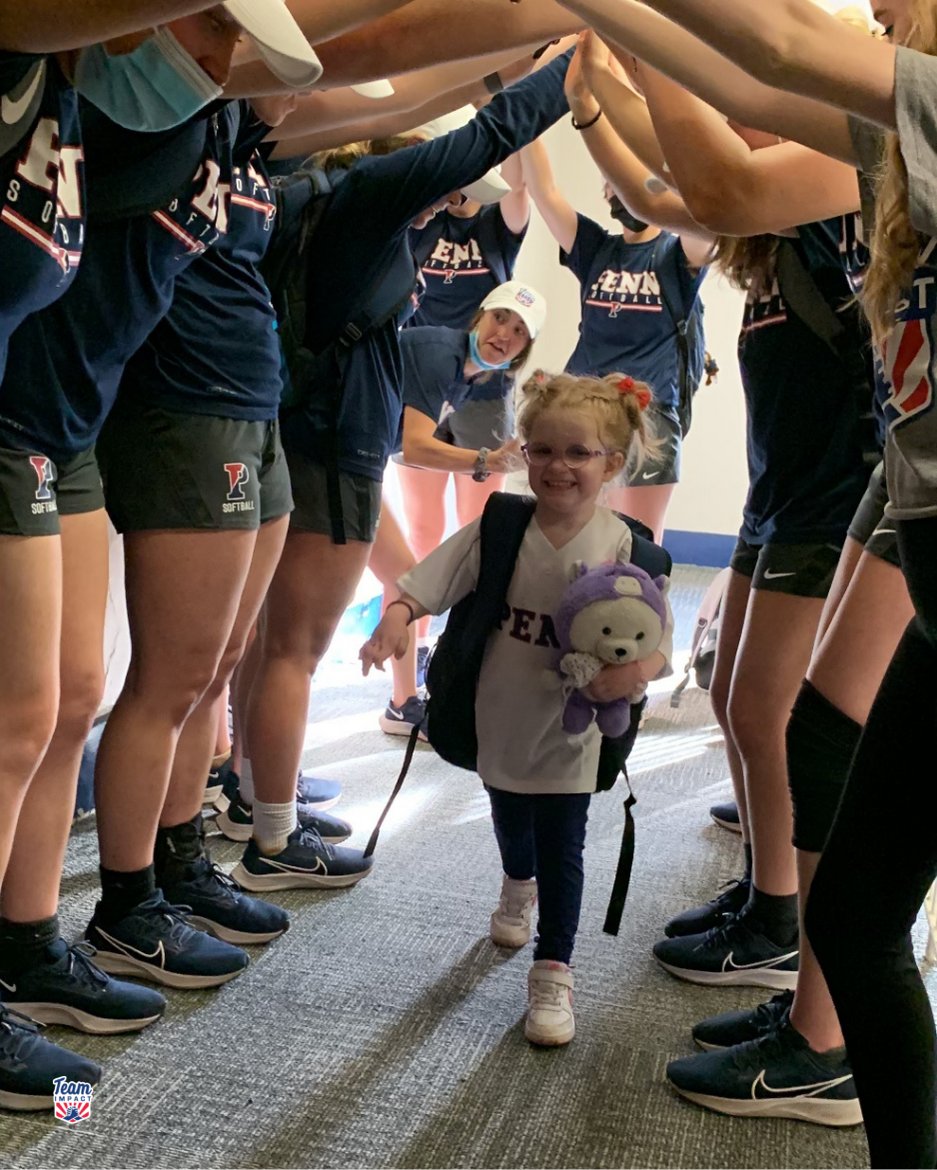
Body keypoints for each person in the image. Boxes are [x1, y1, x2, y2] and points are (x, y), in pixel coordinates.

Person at [557, 0, 937, 1161]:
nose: (875, 9)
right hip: (913, 515)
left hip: (869, 503)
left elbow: (762, 66)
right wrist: (603, 70)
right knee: (856, 900)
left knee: (844, 852)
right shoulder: (888, 131)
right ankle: (812, 1000)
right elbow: (746, 92)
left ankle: (817, 1032)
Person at [235, 51, 575, 893]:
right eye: (446, 190)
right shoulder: (367, 212)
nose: (454, 204)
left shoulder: (334, 210)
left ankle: (256, 798)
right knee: (292, 650)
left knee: (266, 645)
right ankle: (274, 840)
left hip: (313, 438)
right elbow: (487, 136)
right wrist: (569, 62)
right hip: (332, 448)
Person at [360, 368, 672, 1047]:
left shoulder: (627, 548)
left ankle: (553, 969)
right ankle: (514, 883)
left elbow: (653, 639)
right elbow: (424, 584)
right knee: (508, 814)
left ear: (611, 463)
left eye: (577, 453)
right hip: (497, 715)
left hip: (573, 729)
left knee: (565, 843)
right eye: (541, 450)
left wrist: (636, 674)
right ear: (521, 450)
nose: (556, 467)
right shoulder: (499, 527)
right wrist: (395, 619)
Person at [520, 110, 711, 542]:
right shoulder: (595, 249)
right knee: (573, 532)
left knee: (639, 543)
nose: (619, 190)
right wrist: (520, 114)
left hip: (648, 415)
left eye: (631, 179)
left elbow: (704, 219)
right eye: (613, 179)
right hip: (584, 406)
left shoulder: (674, 254)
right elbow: (544, 192)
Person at [389, 278, 542, 713]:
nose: (503, 335)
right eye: (500, 319)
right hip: (331, 455)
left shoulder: (469, 376)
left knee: (404, 573)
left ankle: (405, 700)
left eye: (518, 332)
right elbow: (415, 446)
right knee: (407, 570)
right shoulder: (441, 353)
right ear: (479, 316)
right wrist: (488, 461)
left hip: (350, 458)